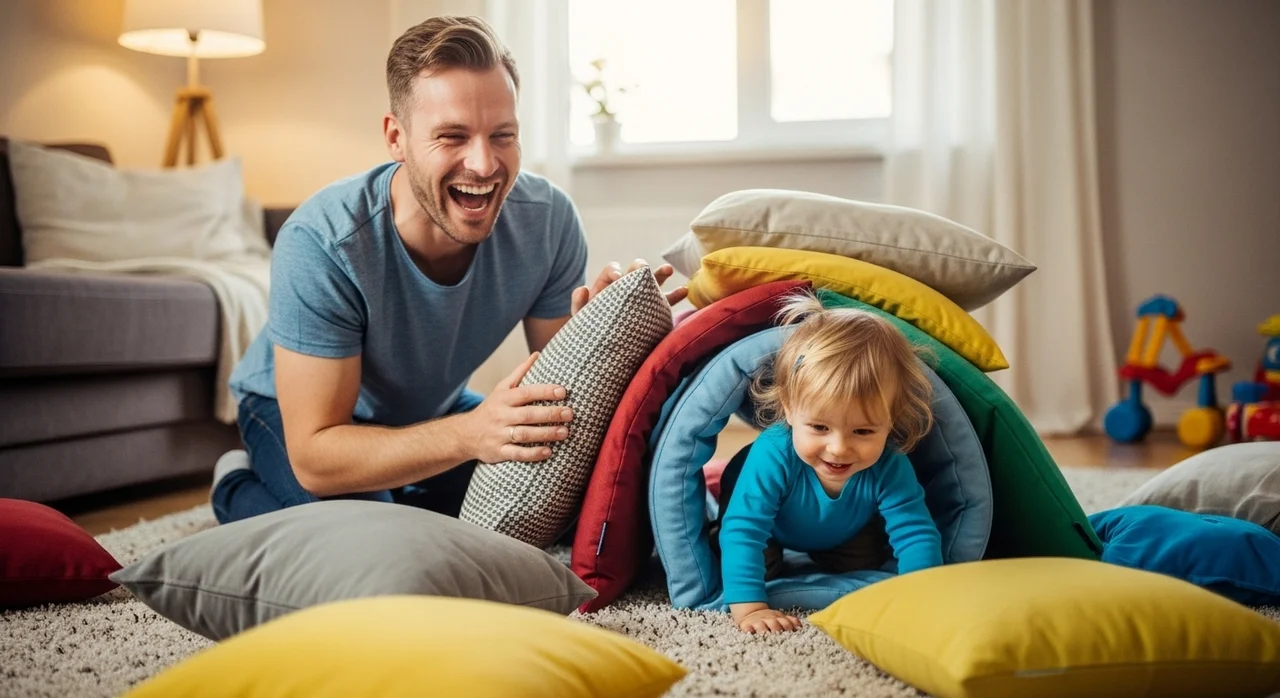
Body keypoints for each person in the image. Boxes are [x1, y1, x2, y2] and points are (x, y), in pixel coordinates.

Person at [210, 15, 685, 525]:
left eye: (502, 135)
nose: (483, 164)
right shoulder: (322, 242)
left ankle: (408, 494)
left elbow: (561, 397)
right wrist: (469, 435)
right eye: (452, 136)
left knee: (564, 498)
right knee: (375, 542)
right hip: (301, 420)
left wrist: (604, 333)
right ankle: (236, 486)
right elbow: (317, 456)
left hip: (434, 407)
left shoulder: (548, 222)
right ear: (396, 138)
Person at [713, 291, 943, 634]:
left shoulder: (890, 462)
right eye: (820, 427)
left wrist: (919, 601)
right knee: (750, 561)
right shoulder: (774, 451)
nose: (838, 449)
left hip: (844, 532)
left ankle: (831, 551)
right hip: (769, 528)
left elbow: (915, 533)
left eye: (863, 431)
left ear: (891, 421)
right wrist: (750, 610)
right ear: (789, 408)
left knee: (868, 561)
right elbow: (745, 529)